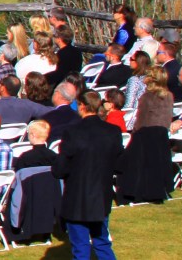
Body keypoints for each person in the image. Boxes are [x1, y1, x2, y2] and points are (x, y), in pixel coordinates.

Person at [56, 91, 123, 260]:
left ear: (82, 106)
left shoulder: (72, 132)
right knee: (102, 242)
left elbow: (60, 169)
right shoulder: (113, 131)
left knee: (80, 247)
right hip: (101, 196)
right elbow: (120, 164)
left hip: (77, 197)